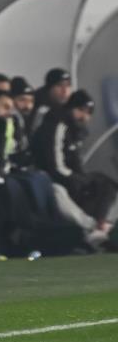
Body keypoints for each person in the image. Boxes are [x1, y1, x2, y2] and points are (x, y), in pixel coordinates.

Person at [31, 90, 118, 239]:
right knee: (58, 192)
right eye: (80, 110)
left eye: (88, 113)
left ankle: (102, 225)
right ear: (70, 108)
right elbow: (55, 166)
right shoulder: (57, 126)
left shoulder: (77, 131)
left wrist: (83, 178)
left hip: (70, 177)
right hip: (50, 178)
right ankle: (90, 227)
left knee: (108, 185)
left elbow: (76, 163)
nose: (84, 116)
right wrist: (77, 179)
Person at [30, 68, 72, 132]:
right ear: (49, 88)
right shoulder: (36, 107)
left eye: (68, 85)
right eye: (59, 85)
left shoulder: (72, 107)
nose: (65, 91)